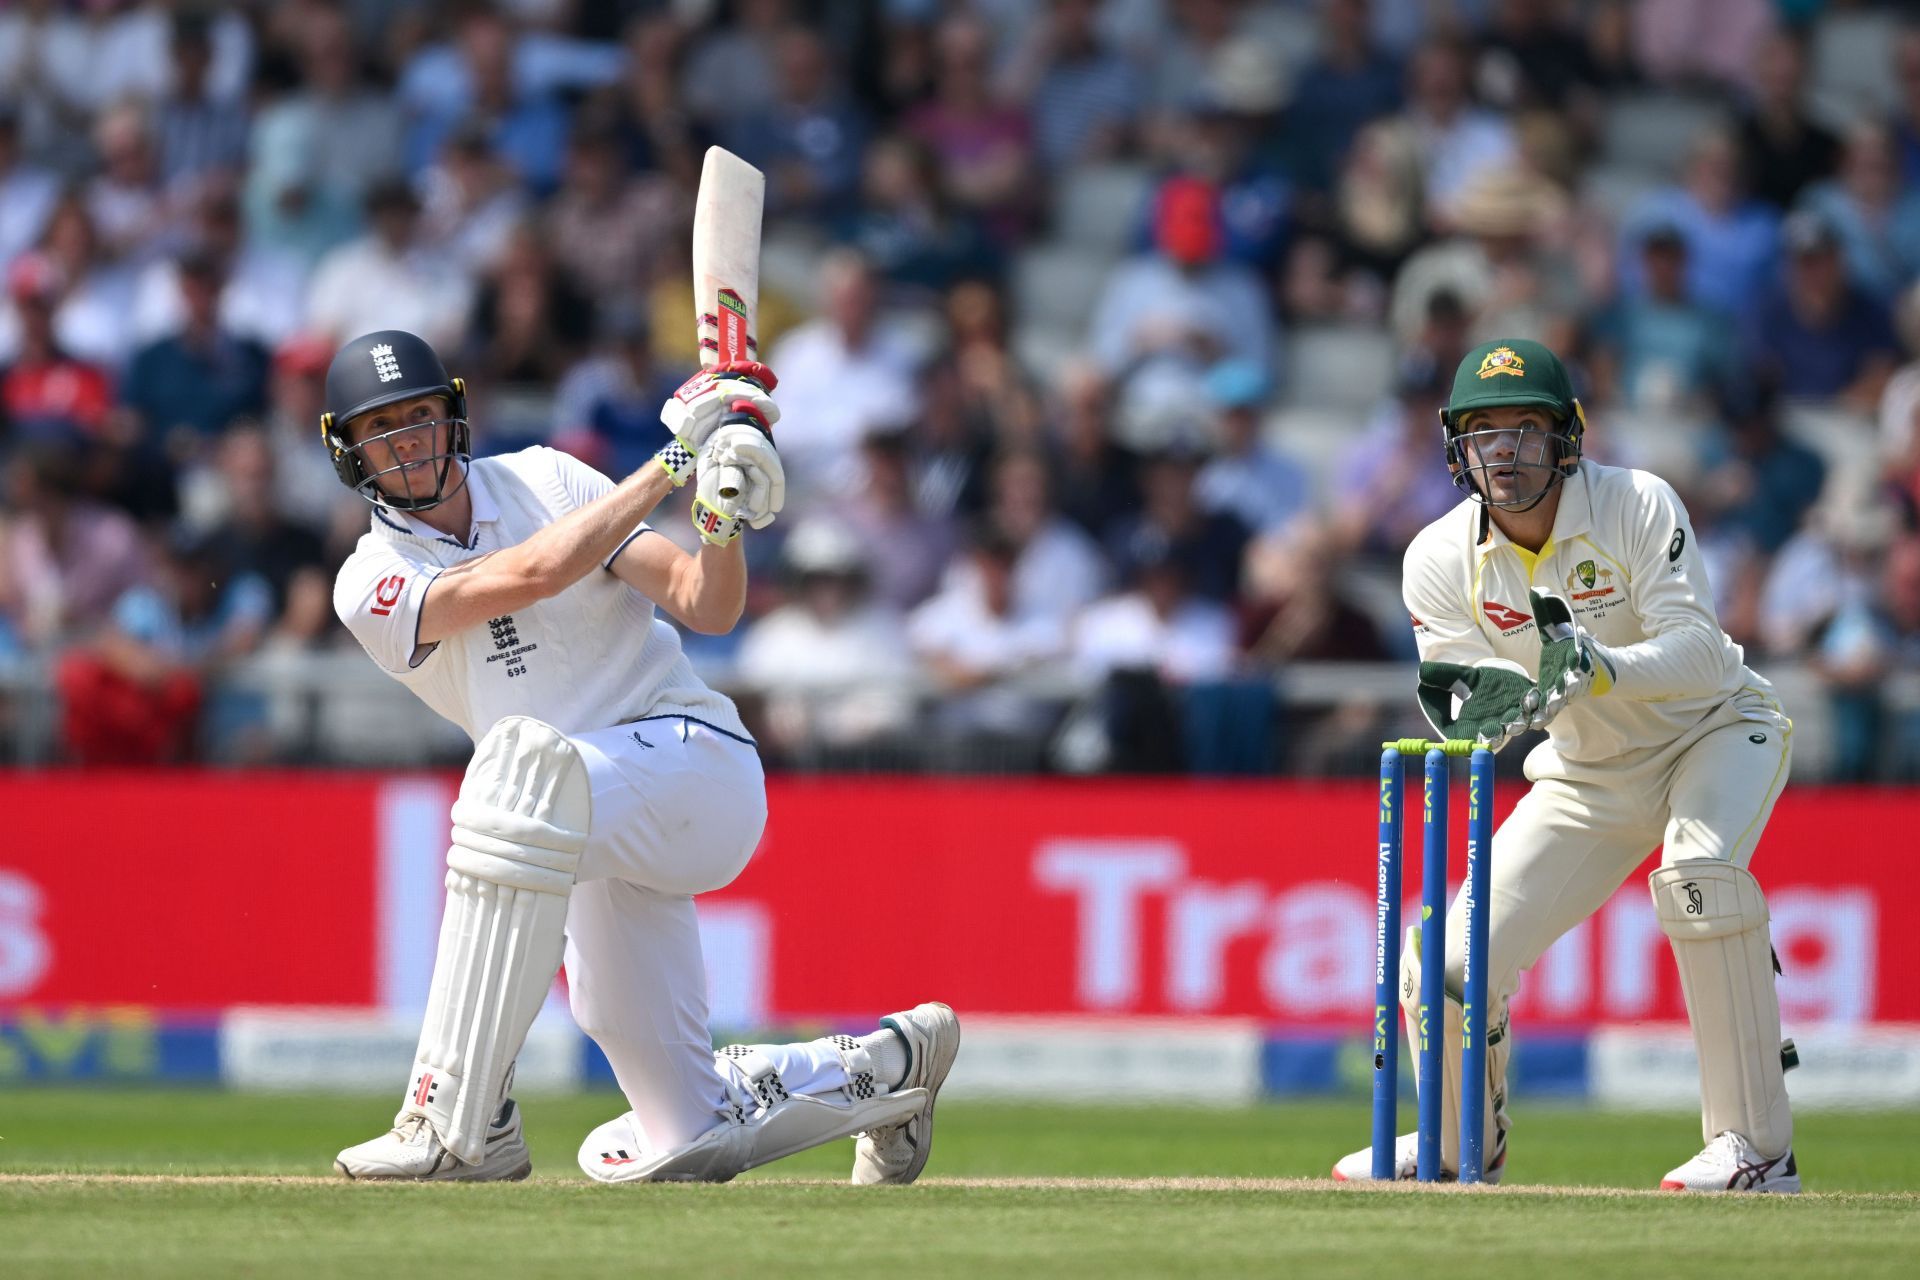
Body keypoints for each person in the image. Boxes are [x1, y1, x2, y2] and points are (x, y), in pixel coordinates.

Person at [323, 329, 958, 1183]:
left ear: (457, 415)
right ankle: (889, 1069)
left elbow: (707, 604)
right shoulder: (370, 579)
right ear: (348, 451)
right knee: (687, 1133)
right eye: (383, 428)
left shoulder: (547, 478)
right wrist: (675, 460)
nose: (407, 441)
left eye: (421, 416)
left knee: (514, 773)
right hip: (576, 832)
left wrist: (718, 517)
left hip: (692, 766)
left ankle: (456, 1121)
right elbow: (531, 577)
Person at [1332, 339, 1800, 1192]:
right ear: (1456, 448)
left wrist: (1601, 665)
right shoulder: (1436, 559)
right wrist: (1490, 715)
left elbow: (1701, 651)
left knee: (1698, 876)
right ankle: (1454, 1145)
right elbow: (1472, 702)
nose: (1505, 453)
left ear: (1567, 438)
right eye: (1485, 434)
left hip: (1715, 729)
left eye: (1525, 430)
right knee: (1440, 958)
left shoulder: (1636, 503)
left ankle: (1758, 1150)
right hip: (1589, 775)